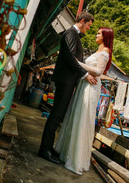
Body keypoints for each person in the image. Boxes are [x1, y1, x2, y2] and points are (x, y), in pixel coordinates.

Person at [38, 11, 97, 164]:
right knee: (56, 115)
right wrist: (85, 74)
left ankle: (48, 148)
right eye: (88, 26)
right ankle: (44, 150)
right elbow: (70, 58)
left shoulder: (74, 34)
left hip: (67, 80)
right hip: (65, 80)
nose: (88, 29)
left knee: (58, 115)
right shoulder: (71, 33)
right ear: (82, 21)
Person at [54, 27, 114, 175]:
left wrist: (78, 63)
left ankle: (77, 158)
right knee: (76, 115)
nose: (96, 34)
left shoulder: (105, 51)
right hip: (84, 84)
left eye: (99, 33)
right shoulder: (98, 51)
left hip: (91, 86)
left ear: (105, 36)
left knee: (82, 118)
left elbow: (99, 71)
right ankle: (68, 152)